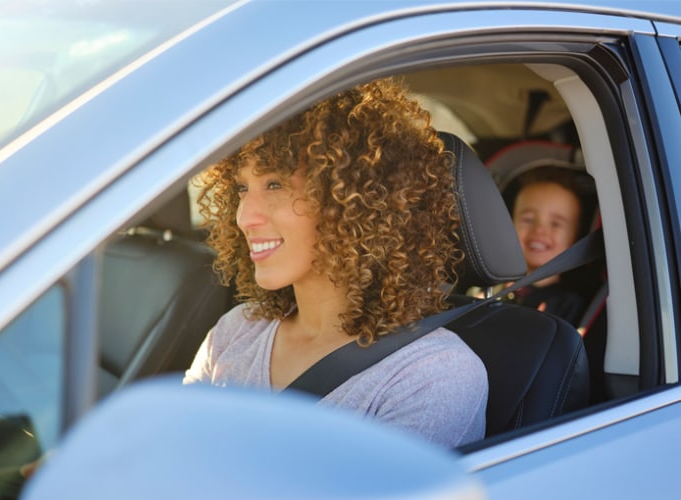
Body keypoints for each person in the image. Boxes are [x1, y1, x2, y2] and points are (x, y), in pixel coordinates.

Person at [182, 77, 488, 448]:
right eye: (242, 188)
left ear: (359, 199)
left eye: (275, 185)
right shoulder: (236, 332)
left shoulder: (432, 374)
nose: (244, 217)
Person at [508, 166, 596, 326]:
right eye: (528, 219)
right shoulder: (489, 291)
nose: (539, 230)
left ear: (574, 239)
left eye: (556, 224)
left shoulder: (566, 305)